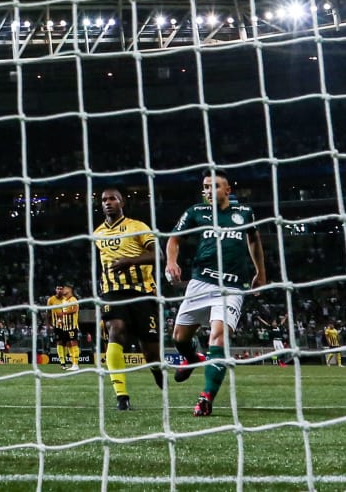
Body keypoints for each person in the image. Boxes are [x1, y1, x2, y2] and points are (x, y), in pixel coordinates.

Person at [165, 169, 266, 417]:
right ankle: (193, 358)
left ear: (228, 190)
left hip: (232, 287)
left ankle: (206, 397)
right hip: (201, 283)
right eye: (206, 187)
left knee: (218, 339)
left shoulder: (245, 213)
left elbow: (254, 241)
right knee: (179, 338)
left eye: (215, 186)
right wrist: (171, 261)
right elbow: (174, 239)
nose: (209, 191)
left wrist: (260, 273)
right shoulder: (195, 212)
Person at [93, 186, 163, 411]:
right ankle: (121, 397)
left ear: (122, 202)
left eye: (112, 198)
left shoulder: (138, 227)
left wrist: (130, 261)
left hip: (142, 293)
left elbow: (158, 255)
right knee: (116, 332)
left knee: (151, 352)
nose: (107, 202)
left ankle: (156, 370)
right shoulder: (97, 233)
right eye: (104, 199)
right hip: (112, 292)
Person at [47, 282, 80, 370]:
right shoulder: (52, 300)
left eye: (62, 288)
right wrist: (50, 323)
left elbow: (74, 309)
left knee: (71, 343)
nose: (61, 290)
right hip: (59, 325)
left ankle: (75, 364)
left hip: (70, 325)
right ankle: (63, 363)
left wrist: (63, 314)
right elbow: (48, 312)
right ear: (55, 289)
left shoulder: (71, 299)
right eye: (58, 288)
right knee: (61, 342)